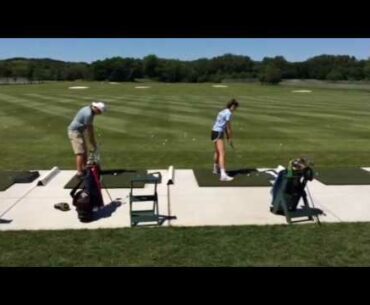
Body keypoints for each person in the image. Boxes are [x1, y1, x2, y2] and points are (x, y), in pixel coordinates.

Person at [68, 101, 107, 177]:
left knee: (84, 151)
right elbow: (90, 130)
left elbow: (88, 128)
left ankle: (85, 168)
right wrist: (93, 143)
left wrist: (92, 142)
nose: (99, 113)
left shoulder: (88, 109)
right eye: (99, 111)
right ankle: (79, 172)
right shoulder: (88, 114)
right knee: (80, 152)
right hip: (74, 132)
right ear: (96, 108)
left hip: (79, 131)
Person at [211, 99, 239, 181]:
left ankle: (215, 169)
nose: (235, 109)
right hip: (219, 132)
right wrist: (229, 138)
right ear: (232, 106)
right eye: (235, 107)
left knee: (217, 151)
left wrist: (227, 137)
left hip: (214, 131)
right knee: (222, 153)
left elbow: (225, 126)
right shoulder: (228, 113)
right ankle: (223, 175)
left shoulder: (223, 111)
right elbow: (228, 127)